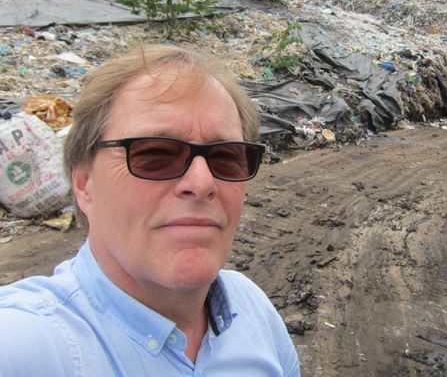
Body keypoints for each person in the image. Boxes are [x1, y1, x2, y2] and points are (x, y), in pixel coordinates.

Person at [0, 45, 300, 376]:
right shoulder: (28, 347)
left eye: (225, 157)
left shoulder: (252, 309)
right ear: (84, 183)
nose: (202, 183)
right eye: (155, 153)